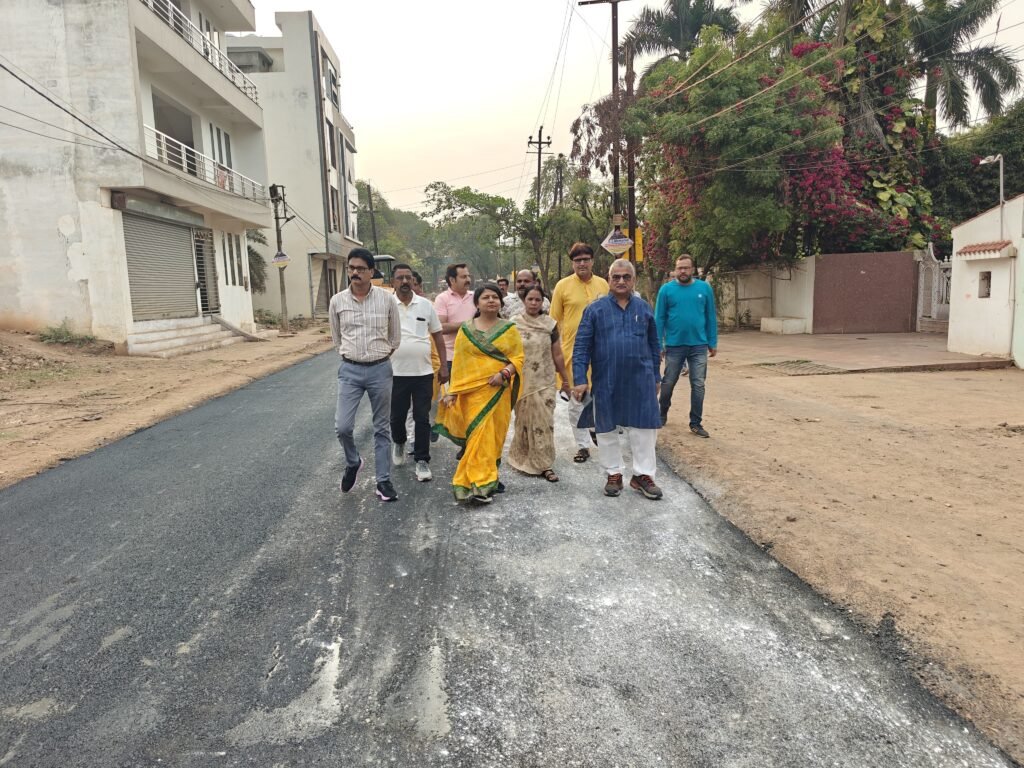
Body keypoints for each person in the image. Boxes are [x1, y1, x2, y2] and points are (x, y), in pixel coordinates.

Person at [572, 258, 664, 500]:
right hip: (607, 378)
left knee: (644, 427)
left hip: (641, 378)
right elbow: (581, 347)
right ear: (609, 279)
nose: (621, 281)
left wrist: (656, 376)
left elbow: (654, 345)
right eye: (616, 277)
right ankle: (613, 473)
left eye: (626, 277)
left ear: (633, 280)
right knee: (606, 427)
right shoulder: (595, 310)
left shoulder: (644, 308)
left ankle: (643, 475)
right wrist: (580, 378)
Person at [435, 283, 524, 504]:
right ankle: (478, 484)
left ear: (501, 302)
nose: (491, 300)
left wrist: (504, 373)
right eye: (486, 297)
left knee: (494, 437)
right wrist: (453, 391)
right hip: (472, 394)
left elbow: (518, 358)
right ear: (477, 303)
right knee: (478, 438)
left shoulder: (509, 329)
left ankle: (489, 476)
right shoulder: (466, 330)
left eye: (495, 297)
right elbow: (460, 363)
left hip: (498, 391)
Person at [329, 248, 402, 502]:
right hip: (349, 370)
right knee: (343, 427)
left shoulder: (387, 300)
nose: (355, 273)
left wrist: (379, 357)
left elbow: (395, 337)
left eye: (361, 269)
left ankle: (383, 481)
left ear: (372, 272)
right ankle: (353, 461)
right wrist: (351, 356)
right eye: (351, 268)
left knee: (381, 427)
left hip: (380, 369)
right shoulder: (337, 301)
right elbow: (336, 338)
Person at [550, 242, 609, 464]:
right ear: (572, 263)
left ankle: (595, 430)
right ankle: (583, 446)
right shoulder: (562, 286)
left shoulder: (603, 284)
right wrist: (554, 354)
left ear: (592, 261)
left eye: (585, 259)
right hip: (573, 353)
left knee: (600, 397)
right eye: (577, 260)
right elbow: (553, 322)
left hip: (602, 352)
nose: (582, 263)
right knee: (577, 400)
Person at [390, 264, 449, 482]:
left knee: (421, 417)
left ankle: (422, 460)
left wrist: (443, 366)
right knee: (396, 417)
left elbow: (438, 337)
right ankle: (399, 441)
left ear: (413, 281)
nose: (405, 281)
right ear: (393, 281)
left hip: (423, 373)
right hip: (394, 373)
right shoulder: (386, 305)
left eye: (408, 278)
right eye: (400, 278)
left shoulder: (425, 305)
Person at [508, 286, 571, 482]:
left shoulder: (550, 324)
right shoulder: (514, 324)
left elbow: (557, 354)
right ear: (524, 300)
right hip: (522, 382)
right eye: (531, 299)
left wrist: (565, 379)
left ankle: (544, 464)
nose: (534, 303)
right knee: (524, 421)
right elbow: (507, 352)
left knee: (544, 423)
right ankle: (523, 457)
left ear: (543, 302)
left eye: (538, 300)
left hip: (545, 382)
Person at [654, 254, 718, 437]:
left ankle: (696, 423)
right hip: (674, 345)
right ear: (675, 270)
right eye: (679, 268)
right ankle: (662, 413)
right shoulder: (666, 290)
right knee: (668, 382)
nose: (682, 271)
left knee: (698, 384)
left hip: (699, 345)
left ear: (692, 270)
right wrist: (658, 345)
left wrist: (712, 341)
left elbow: (710, 316)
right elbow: (659, 319)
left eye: (686, 268)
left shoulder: (704, 288)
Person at [434, 263, 475, 375]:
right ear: (452, 280)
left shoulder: (475, 297)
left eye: (468, 276)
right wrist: (469, 324)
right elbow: (440, 328)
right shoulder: (442, 299)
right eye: (463, 277)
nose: (468, 280)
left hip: (475, 355)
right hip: (451, 357)